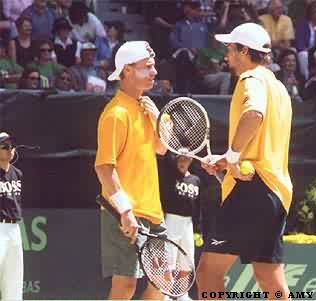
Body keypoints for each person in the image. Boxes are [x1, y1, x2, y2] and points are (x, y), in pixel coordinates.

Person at [197, 22, 293, 300]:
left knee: (207, 274)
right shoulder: (279, 88)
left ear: (243, 51)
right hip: (276, 193)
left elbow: (254, 115)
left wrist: (231, 156)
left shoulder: (250, 79)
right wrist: (229, 163)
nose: (226, 54)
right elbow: (262, 143)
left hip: (253, 190)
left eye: (230, 48)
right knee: (269, 277)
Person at [94, 40, 169, 300]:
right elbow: (104, 167)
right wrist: (125, 210)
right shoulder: (115, 113)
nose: (154, 72)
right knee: (125, 285)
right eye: (147, 67)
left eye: (154, 66)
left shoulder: (147, 107)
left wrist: (158, 118)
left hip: (153, 212)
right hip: (123, 213)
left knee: (163, 281)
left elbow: (162, 149)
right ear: (126, 70)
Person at [160, 151, 201, 301]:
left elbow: (198, 207)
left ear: (191, 161)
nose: (183, 162)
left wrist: (197, 230)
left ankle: (182, 294)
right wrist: (176, 151)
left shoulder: (196, 180)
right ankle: (165, 294)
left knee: (187, 260)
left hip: (188, 224)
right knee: (169, 259)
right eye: (180, 159)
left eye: (186, 159)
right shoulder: (170, 176)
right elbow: (166, 158)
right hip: (171, 220)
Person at [0, 132, 24, 301]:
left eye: (12, 146)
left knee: (14, 279)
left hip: (14, 228)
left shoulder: (18, 174)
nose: (10, 149)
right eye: (5, 146)